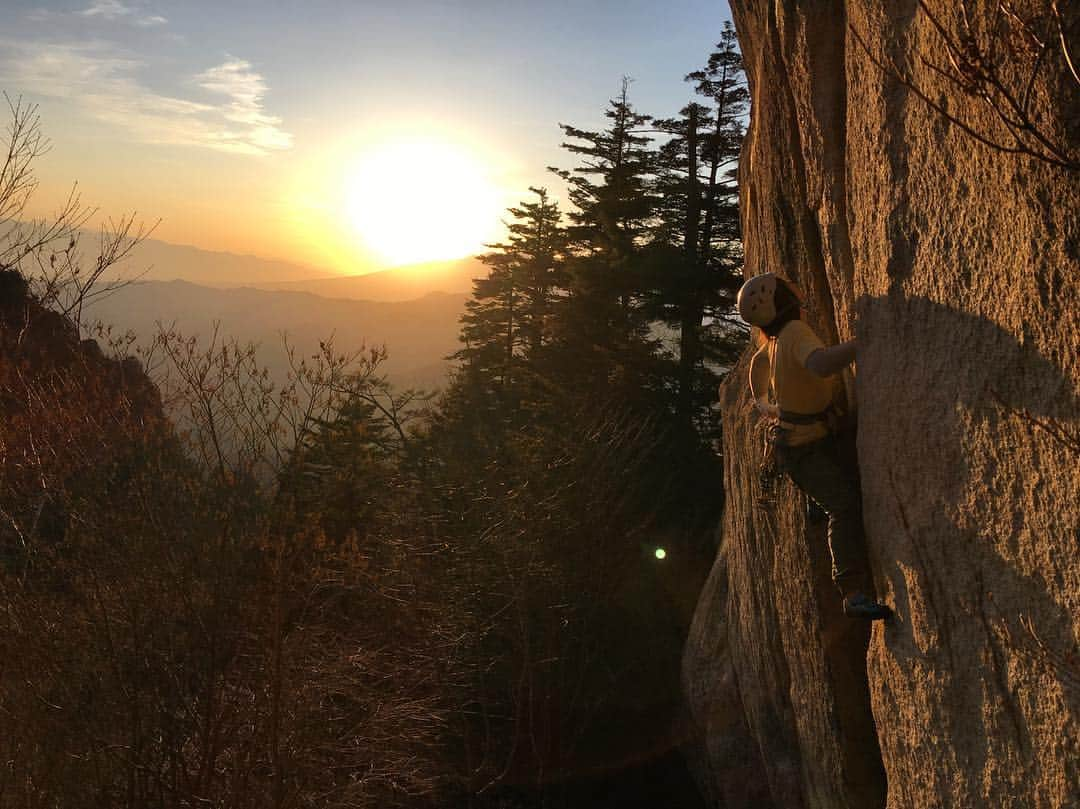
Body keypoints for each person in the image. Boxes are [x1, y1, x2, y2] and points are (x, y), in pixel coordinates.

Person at [737, 272, 891, 621]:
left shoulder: (775, 338)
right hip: (804, 448)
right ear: (780, 302)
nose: (797, 292)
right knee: (844, 506)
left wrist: (763, 402)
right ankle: (852, 591)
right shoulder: (792, 333)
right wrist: (863, 342)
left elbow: (759, 363)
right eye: (789, 290)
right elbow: (820, 365)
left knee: (838, 472)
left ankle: (815, 503)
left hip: (801, 441)